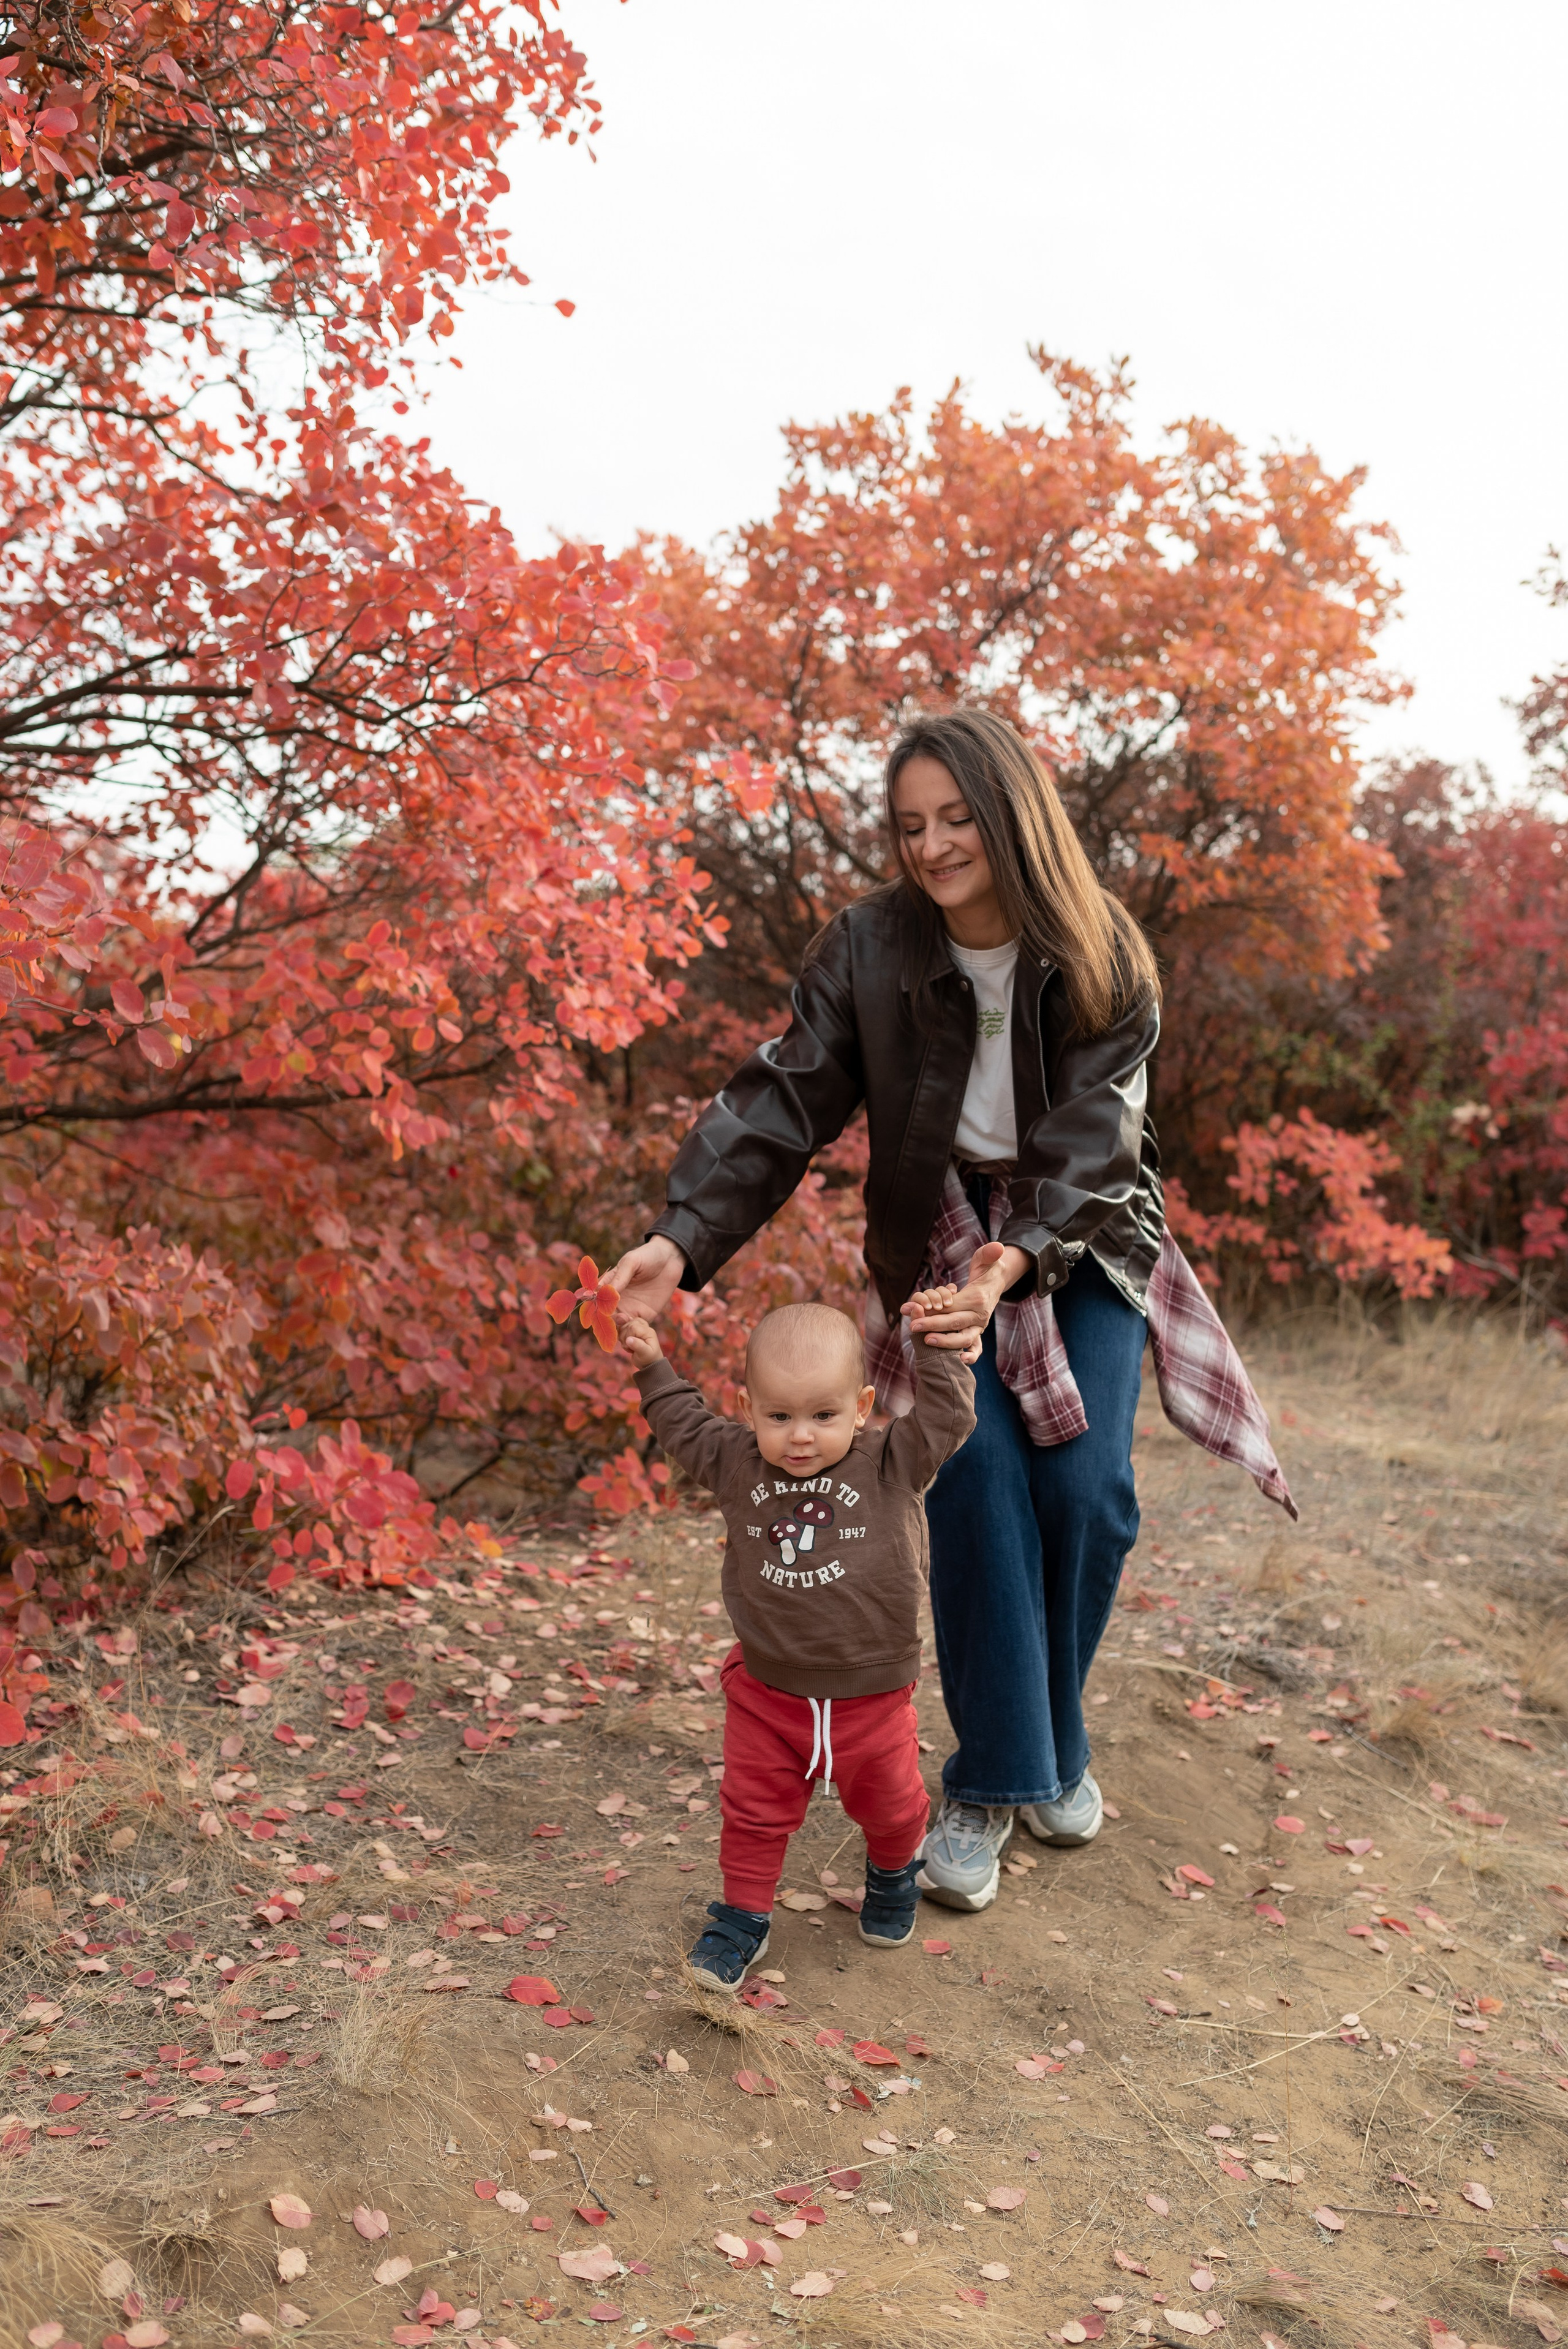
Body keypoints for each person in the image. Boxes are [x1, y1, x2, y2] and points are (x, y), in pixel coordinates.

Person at [608, 708, 1293, 1919]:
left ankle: (1043, 1738)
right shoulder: (866, 946)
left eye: (955, 817)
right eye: (909, 823)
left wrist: (1016, 1255)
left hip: (1076, 1233)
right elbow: (784, 1095)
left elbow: (1094, 1136)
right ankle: (990, 1784)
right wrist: (681, 1235)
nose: (930, 845)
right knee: (969, 1477)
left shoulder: (1100, 950)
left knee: (1086, 1493)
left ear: (1010, 810)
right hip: (933, 1235)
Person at [617, 1292, 976, 1989]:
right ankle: (742, 1918)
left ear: (863, 1406)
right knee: (752, 1810)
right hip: (767, 1693)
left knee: (893, 1805)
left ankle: (893, 1873)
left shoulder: (891, 1462)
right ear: (748, 1407)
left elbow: (946, 1417)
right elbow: (683, 1424)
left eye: (823, 1414)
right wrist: (654, 1366)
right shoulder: (736, 1460)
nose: (801, 1436)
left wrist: (933, 1348)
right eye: (779, 1416)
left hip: (869, 1694)